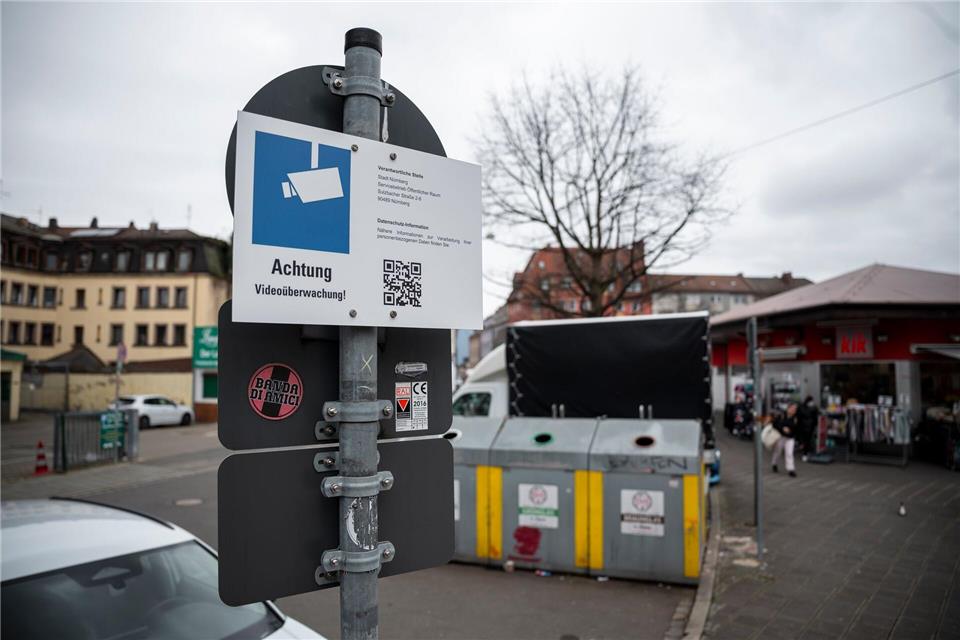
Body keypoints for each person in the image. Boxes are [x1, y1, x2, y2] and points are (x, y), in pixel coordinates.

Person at [772, 402, 799, 477]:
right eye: (792, 408)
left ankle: (791, 469)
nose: (794, 410)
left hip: (790, 438)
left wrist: (791, 431)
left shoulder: (796, 418)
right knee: (778, 452)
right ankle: (774, 463)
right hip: (780, 437)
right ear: (788, 408)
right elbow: (774, 424)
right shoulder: (781, 415)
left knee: (789, 453)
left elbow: (797, 429)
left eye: (795, 409)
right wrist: (782, 428)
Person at [797, 395, 819, 460]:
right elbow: (816, 417)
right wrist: (815, 424)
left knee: (804, 440)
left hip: (802, 426)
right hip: (810, 426)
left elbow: (798, 416)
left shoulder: (801, 406)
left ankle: (803, 449)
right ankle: (805, 454)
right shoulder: (814, 407)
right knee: (808, 441)